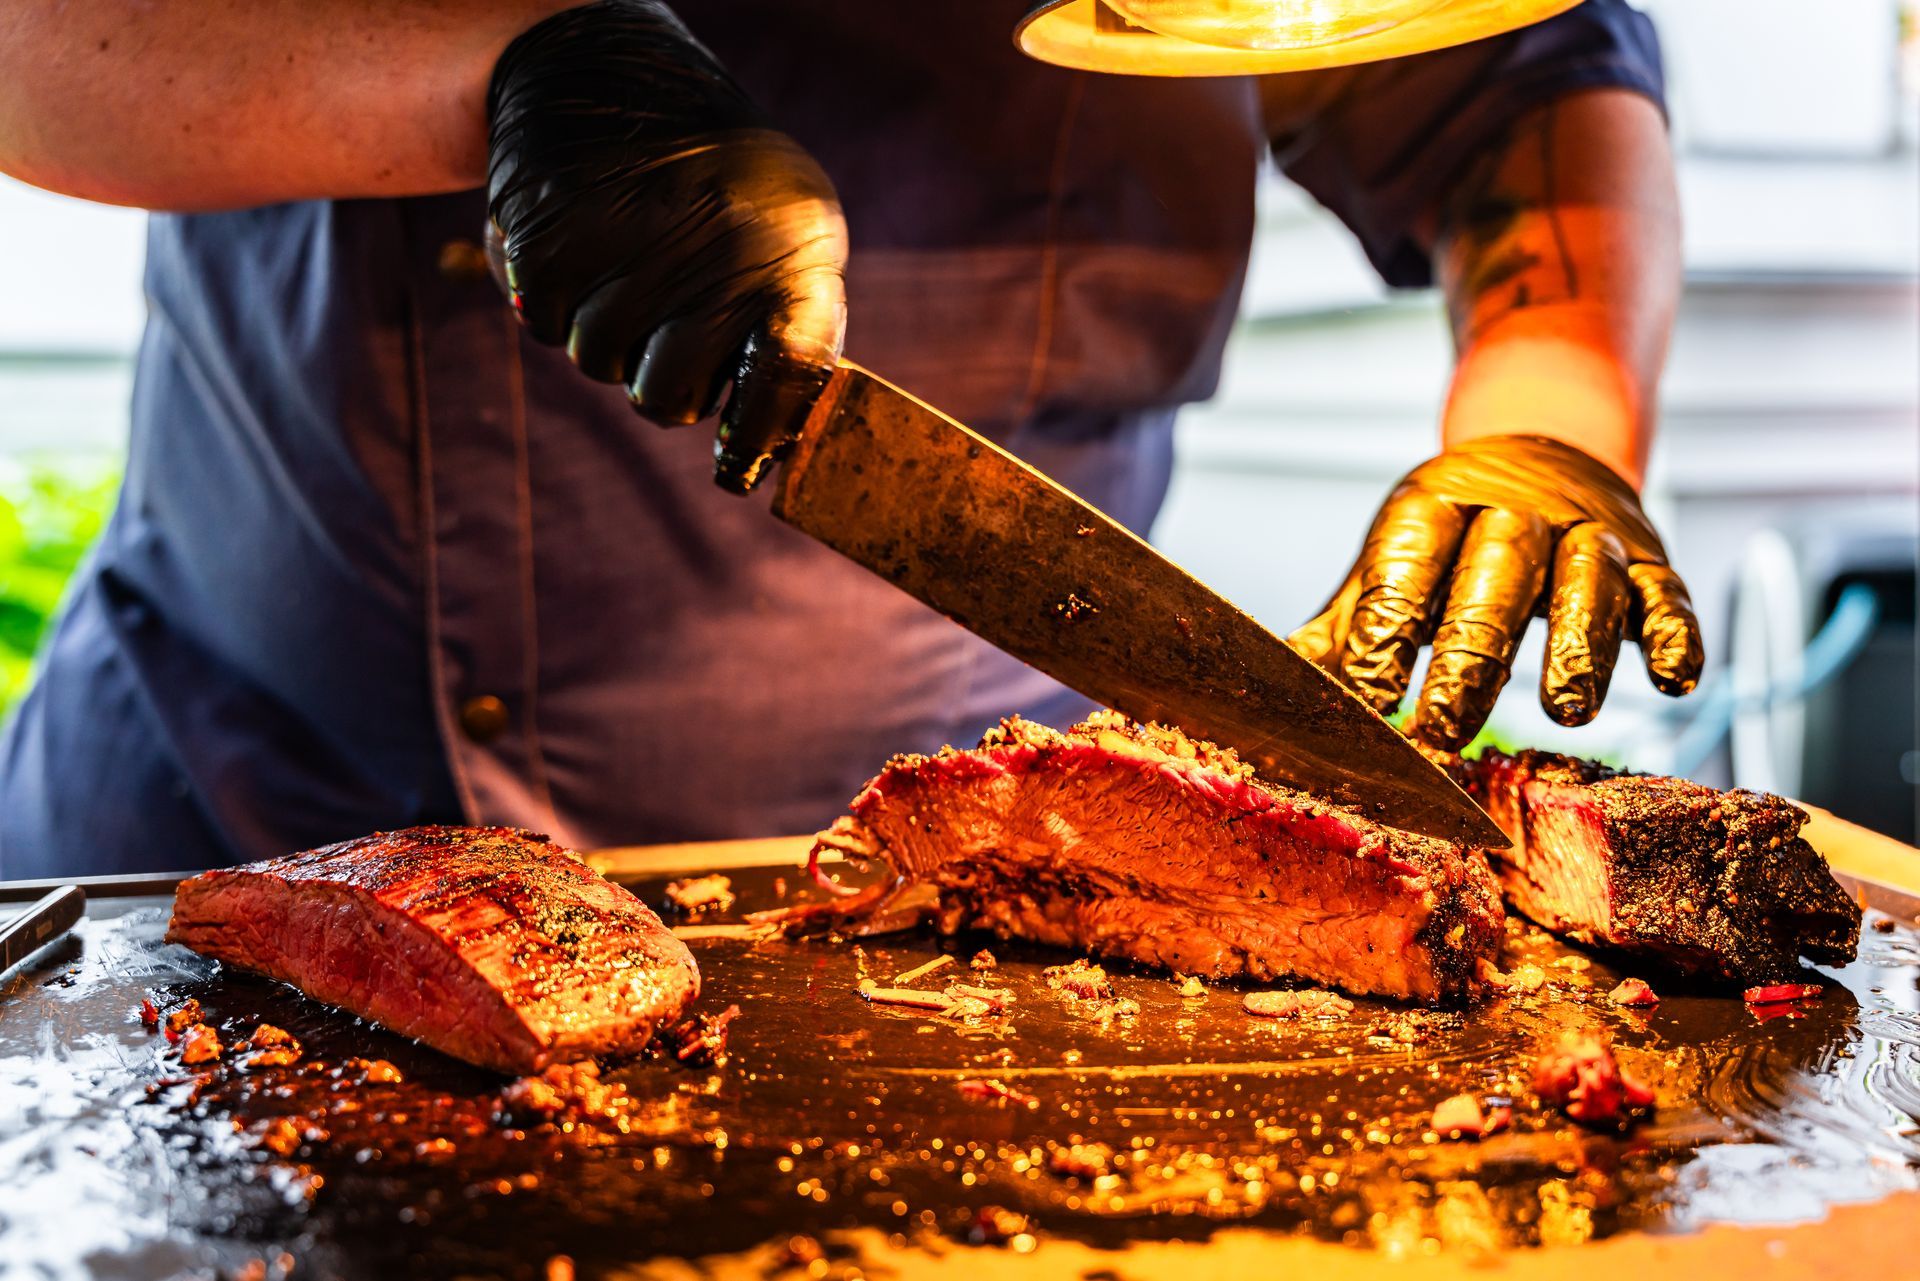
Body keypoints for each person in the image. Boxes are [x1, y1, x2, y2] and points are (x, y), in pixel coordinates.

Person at [0, 1, 1702, 877]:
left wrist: (1550, 424)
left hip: (968, 895)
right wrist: (512, 78)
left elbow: (1525, 84)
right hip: (226, 832)